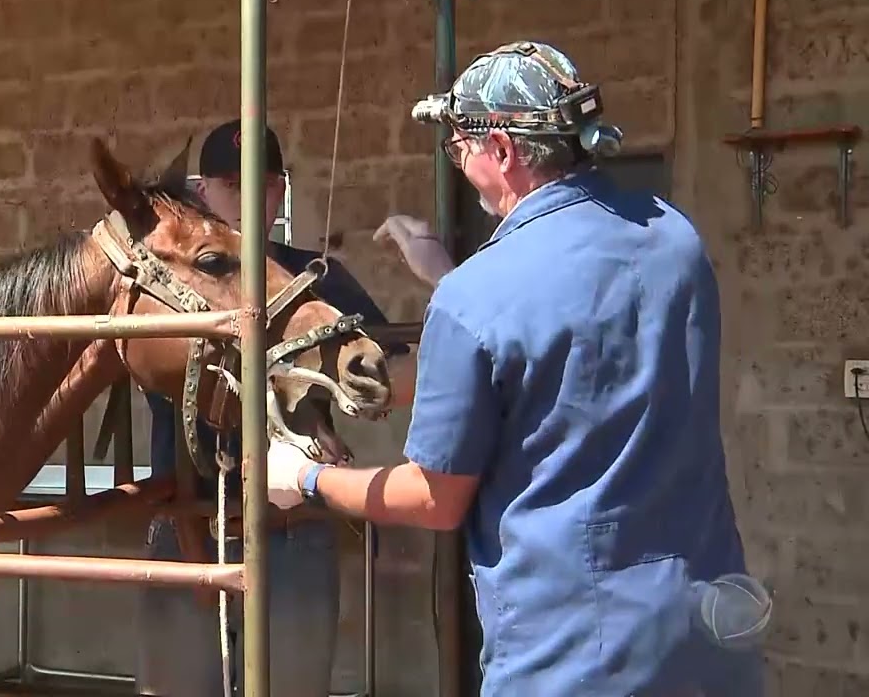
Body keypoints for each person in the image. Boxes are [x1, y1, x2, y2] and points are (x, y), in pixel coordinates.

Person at [265, 41, 766, 696]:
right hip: (704, 638)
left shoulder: (475, 297)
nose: (457, 160)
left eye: (458, 147)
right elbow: (574, 342)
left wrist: (304, 478)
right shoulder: (675, 237)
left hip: (574, 656)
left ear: (501, 150)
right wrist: (447, 274)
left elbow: (434, 498)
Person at [135, 118, 412, 696]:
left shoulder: (316, 279)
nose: (248, 199)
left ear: (281, 190)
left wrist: (363, 388)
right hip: (186, 526)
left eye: (262, 185)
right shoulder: (167, 284)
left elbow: (395, 370)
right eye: (231, 185)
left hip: (292, 528)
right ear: (202, 191)